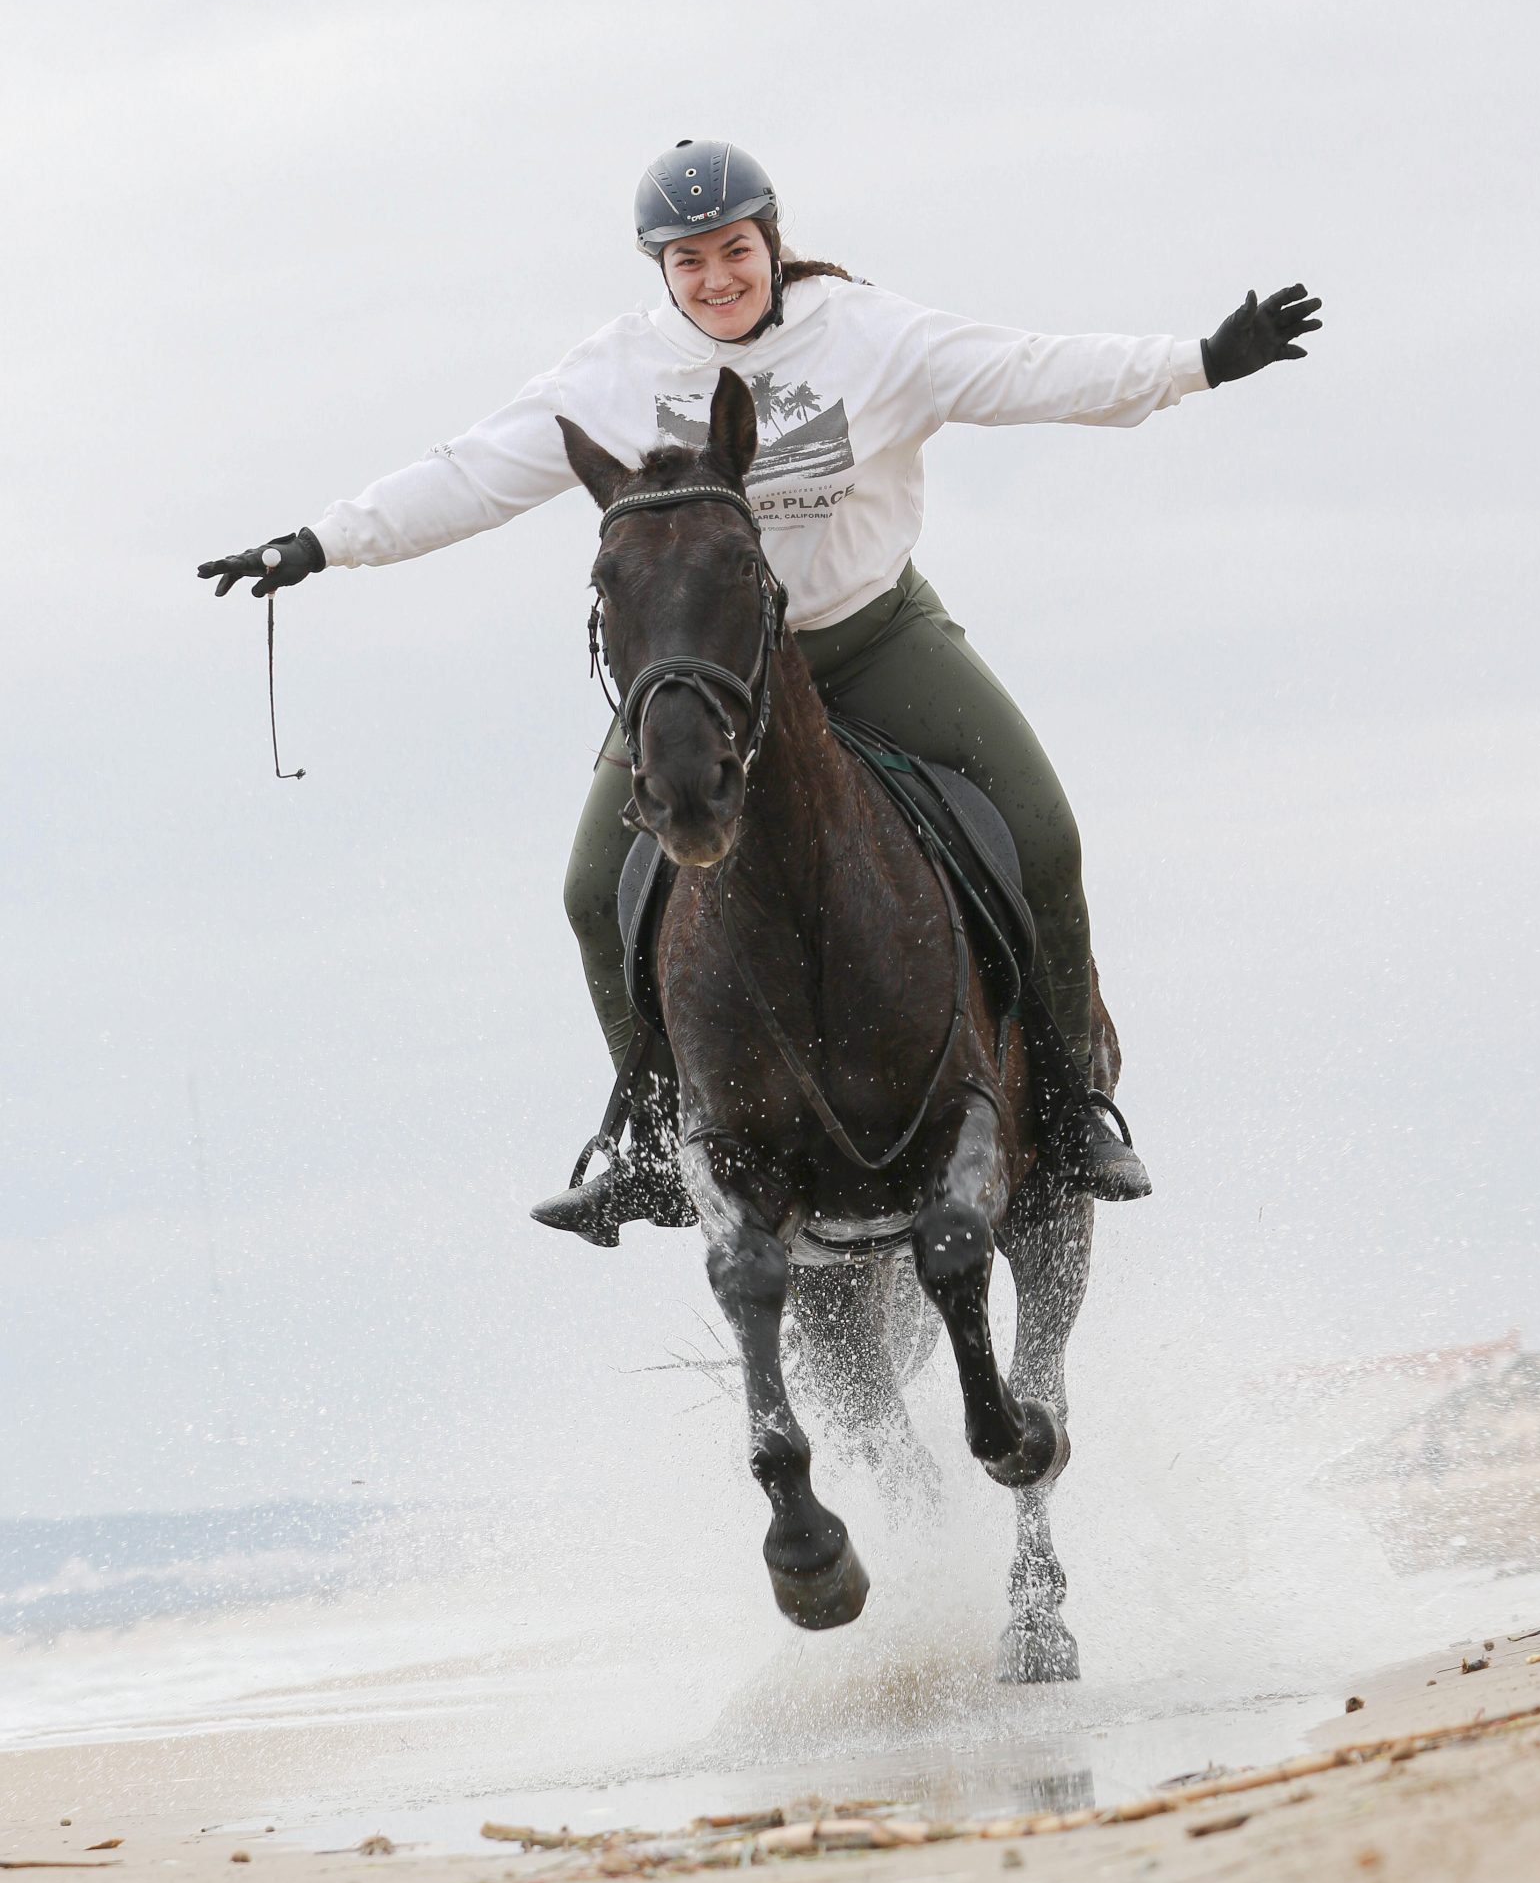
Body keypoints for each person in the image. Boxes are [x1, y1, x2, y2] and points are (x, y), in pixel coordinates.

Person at [200, 138, 1321, 1242]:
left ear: (773, 243)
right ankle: (652, 1146)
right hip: (711, 679)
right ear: (660, 270)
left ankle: (1073, 1112)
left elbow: (1031, 370)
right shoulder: (613, 372)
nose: (716, 278)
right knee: (590, 890)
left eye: (734, 250)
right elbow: (471, 473)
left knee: (1043, 831)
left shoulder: (870, 335)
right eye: (687, 261)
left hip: (868, 637)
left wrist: (1201, 360)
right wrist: (321, 542)